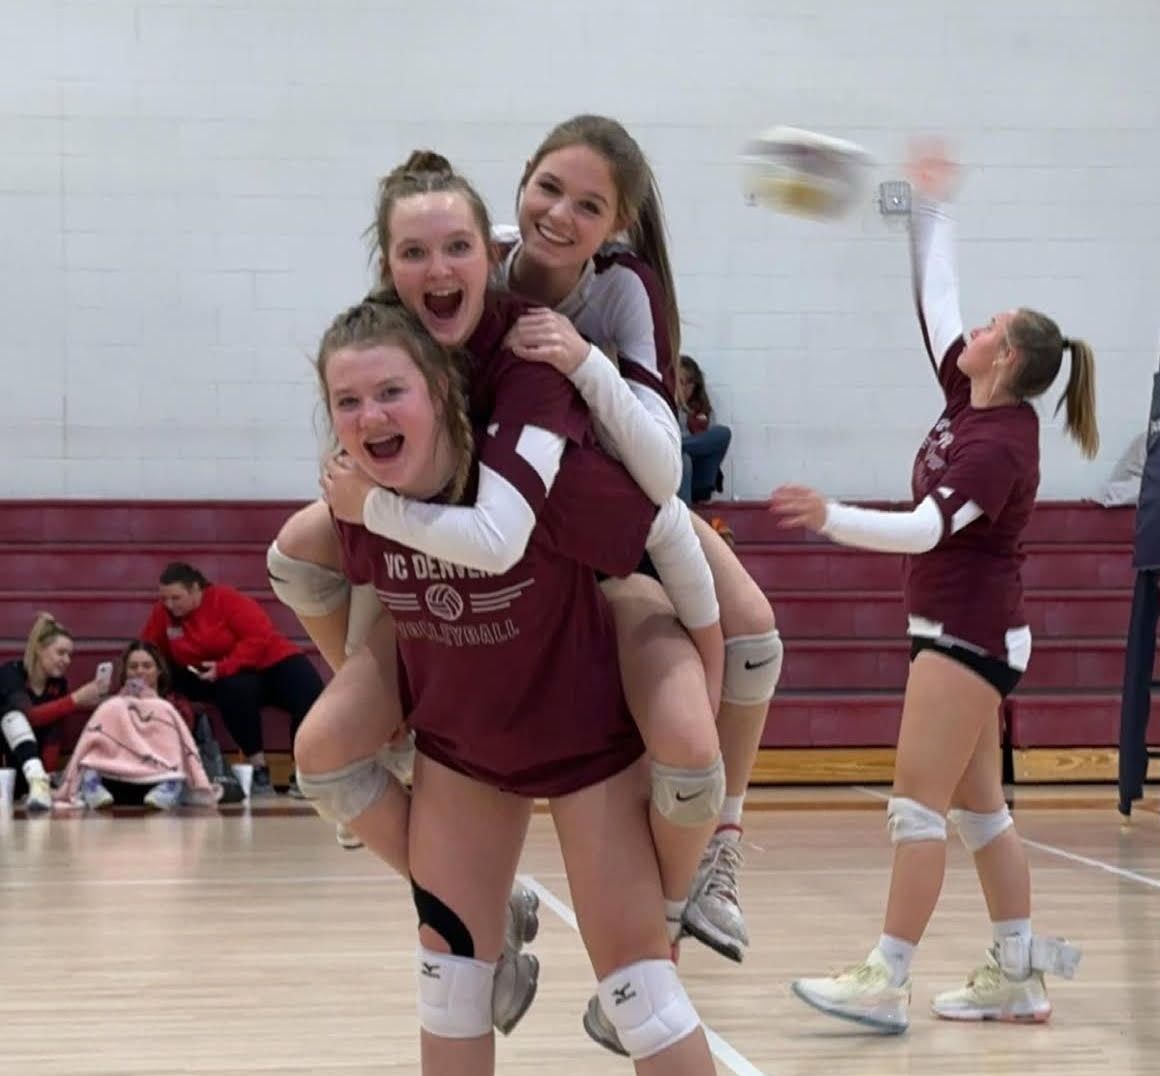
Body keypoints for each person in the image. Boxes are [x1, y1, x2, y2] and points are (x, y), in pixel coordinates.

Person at [277, 118, 782, 968]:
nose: (561, 214)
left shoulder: (622, 289)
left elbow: (658, 475)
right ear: (518, 184)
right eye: (549, 188)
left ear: (617, 223)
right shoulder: (464, 253)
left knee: (753, 638)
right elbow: (377, 370)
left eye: (589, 205)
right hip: (475, 493)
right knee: (298, 555)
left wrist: (585, 361)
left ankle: (714, 857)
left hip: (606, 487)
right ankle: (400, 729)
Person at [315, 293, 718, 1074]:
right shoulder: (351, 504)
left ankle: (689, 887)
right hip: (462, 762)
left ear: (439, 388)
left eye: (391, 392)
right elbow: (318, 581)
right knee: (450, 987)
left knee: (644, 995)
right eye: (347, 402)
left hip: (589, 755)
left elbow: (667, 525)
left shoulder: (540, 485)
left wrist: (710, 657)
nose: (369, 417)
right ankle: (496, 912)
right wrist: (379, 706)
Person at [770, 143, 1094, 1033]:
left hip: (970, 637)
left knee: (915, 807)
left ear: (1008, 358)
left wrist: (831, 514)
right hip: (964, 631)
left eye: (993, 327)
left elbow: (922, 530)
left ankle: (886, 977)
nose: (974, 329)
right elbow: (936, 301)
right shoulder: (972, 394)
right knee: (981, 816)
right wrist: (932, 208)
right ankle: (1022, 977)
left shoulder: (1000, 446)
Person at [141, 562, 325, 796]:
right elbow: (149, 647)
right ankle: (259, 768)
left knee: (310, 693)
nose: (169, 604)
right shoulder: (163, 614)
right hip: (217, 676)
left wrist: (226, 666)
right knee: (234, 690)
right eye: (164, 598)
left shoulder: (226, 599)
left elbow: (259, 637)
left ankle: (305, 771)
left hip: (268, 661)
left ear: (196, 589)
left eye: (176, 598)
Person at [55, 640, 220, 811]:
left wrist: (152, 703)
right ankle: (92, 785)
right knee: (111, 707)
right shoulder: (112, 704)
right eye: (133, 667)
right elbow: (91, 741)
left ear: (159, 671)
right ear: (125, 673)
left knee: (162, 709)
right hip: (112, 779)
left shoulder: (174, 705)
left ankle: (168, 789)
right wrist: (122, 703)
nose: (140, 671)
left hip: (159, 779)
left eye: (147, 666)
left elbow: (183, 743)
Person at [0, 612, 107, 811]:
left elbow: (53, 736)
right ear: (39, 649)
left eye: (69, 655)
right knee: (13, 718)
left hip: (35, 776)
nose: (67, 660)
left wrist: (48, 777)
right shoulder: (11, 673)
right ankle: (37, 779)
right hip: (7, 770)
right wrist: (76, 699)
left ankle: (40, 783)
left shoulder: (58, 684)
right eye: (61, 653)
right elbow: (31, 716)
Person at [676, 355, 731, 506]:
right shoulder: (662, 406)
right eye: (681, 382)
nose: (685, 388)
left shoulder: (703, 410)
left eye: (690, 383)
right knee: (683, 458)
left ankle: (674, 445)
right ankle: (685, 519)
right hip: (675, 474)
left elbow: (712, 444)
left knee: (723, 432)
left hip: (699, 477)